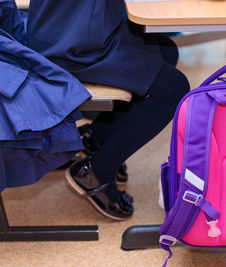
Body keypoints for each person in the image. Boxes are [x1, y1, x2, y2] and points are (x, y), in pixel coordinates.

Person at [26, 0, 190, 220]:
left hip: (57, 28)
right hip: (76, 48)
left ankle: (97, 138)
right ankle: (97, 171)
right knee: (175, 89)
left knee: (167, 52)